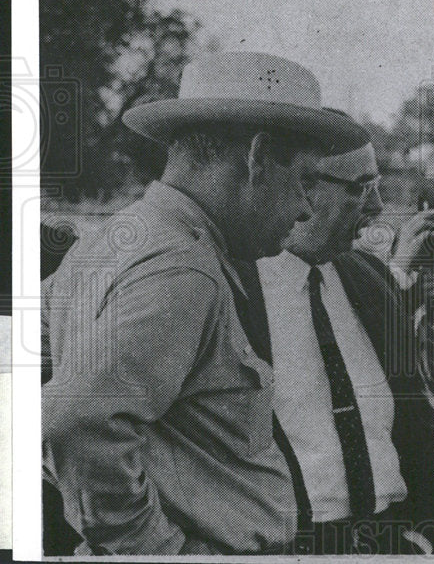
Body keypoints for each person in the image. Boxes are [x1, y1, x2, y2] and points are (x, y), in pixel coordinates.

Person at [41, 51, 362, 554]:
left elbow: (38, 381)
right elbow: (76, 421)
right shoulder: (183, 270)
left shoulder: (114, 240)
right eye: (305, 181)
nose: (304, 209)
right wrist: (159, 550)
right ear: (258, 156)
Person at [254, 134, 434, 554]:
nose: (376, 207)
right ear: (303, 186)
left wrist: (424, 535)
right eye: (359, 188)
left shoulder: (369, 277)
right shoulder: (234, 290)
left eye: (377, 187)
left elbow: (413, 418)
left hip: (388, 537)